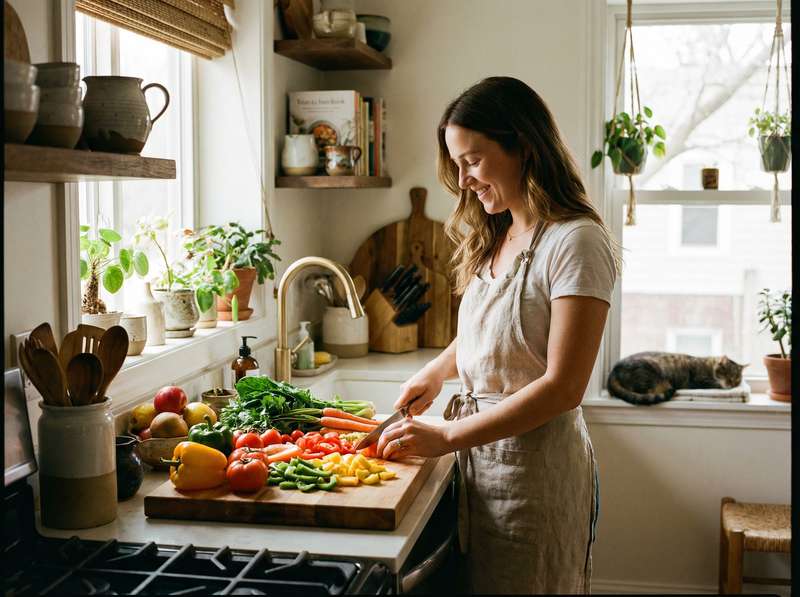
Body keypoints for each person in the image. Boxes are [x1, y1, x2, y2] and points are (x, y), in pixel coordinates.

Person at [375, 76, 620, 594]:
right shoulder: (499, 233)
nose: (463, 180)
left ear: (523, 147)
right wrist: (436, 371)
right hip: (477, 464)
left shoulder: (576, 241)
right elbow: (491, 329)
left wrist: (447, 437)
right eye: (457, 164)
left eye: (473, 161)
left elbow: (564, 386)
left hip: (534, 477)